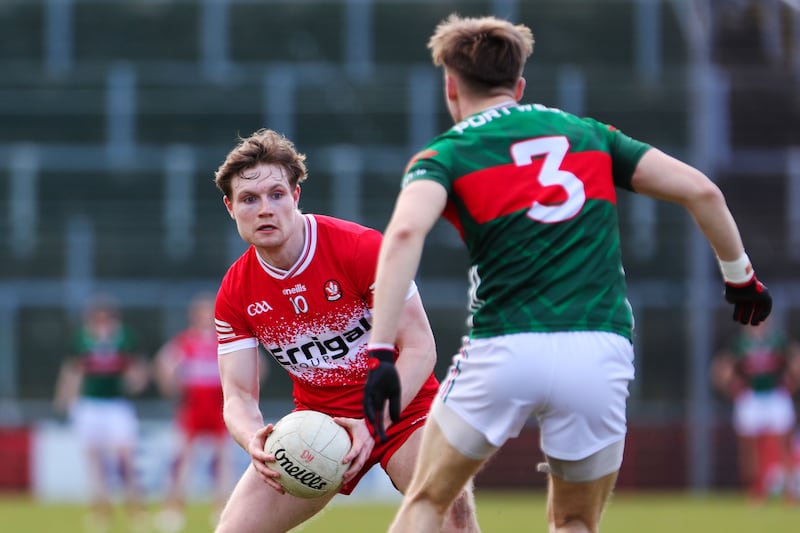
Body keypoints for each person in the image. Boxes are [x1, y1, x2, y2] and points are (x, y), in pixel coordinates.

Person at [361, 13, 774, 533]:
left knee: (427, 500)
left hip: (505, 346)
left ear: (450, 87)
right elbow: (703, 191)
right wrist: (741, 278)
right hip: (597, 349)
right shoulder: (588, 135)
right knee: (575, 521)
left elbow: (402, 235)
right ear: (519, 85)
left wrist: (380, 351)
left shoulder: (448, 152)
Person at [210, 128, 479, 533]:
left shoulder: (360, 248)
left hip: (404, 413)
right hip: (319, 427)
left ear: (296, 197)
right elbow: (239, 396)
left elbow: (421, 348)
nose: (265, 208)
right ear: (230, 207)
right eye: (249, 199)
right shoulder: (235, 292)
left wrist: (374, 426)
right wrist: (253, 440)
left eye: (276, 194)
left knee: (451, 512)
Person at [53, 294, 150, 533]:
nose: (102, 323)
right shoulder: (81, 339)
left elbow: (138, 370)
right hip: (90, 404)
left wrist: (136, 381)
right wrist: (63, 400)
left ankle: (134, 507)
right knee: (95, 459)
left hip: (117, 404)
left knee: (125, 456)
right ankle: (101, 508)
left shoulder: (125, 338)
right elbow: (71, 372)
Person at [153, 292, 234, 532]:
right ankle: (173, 508)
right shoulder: (186, 341)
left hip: (220, 407)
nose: (205, 317)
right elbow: (163, 363)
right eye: (201, 312)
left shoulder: (224, 340)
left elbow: (255, 364)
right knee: (183, 459)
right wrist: (171, 389)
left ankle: (223, 508)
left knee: (224, 460)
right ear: (194, 315)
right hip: (193, 407)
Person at [711, 319, 800, 502]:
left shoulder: (776, 340)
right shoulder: (740, 344)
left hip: (775, 394)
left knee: (783, 443)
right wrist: (732, 387)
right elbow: (721, 367)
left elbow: (794, 360)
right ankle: (756, 488)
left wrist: (791, 382)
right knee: (749, 447)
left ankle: (790, 490)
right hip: (751, 396)